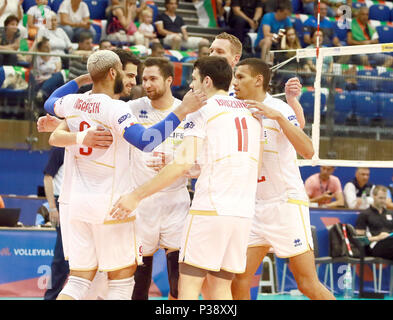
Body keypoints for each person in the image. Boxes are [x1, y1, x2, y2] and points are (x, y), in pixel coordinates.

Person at [43, 49, 207, 300]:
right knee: (121, 280)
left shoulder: (73, 102)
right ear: (112, 73)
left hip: (76, 202)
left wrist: (81, 80)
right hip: (110, 204)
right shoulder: (116, 107)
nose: (128, 78)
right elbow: (147, 140)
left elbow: (49, 100)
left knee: (77, 280)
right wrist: (181, 112)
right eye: (122, 71)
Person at [110, 56, 263, 300]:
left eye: (193, 79)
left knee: (187, 288)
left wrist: (136, 195)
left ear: (207, 81)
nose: (191, 86)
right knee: (220, 289)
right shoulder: (253, 113)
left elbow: (182, 163)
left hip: (209, 210)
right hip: (243, 212)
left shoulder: (200, 110)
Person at [230, 58, 335, 300]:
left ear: (258, 80)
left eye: (240, 77)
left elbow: (308, 150)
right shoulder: (235, 109)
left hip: (285, 203)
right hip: (254, 207)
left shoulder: (279, 109)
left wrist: (278, 116)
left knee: (306, 283)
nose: (235, 82)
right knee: (240, 279)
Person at [130, 57, 191, 300]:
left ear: (169, 80)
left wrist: (177, 164)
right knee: (139, 281)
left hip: (176, 200)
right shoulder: (133, 108)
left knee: (178, 282)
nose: (147, 84)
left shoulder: (187, 111)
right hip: (142, 200)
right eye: (144, 79)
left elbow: (199, 162)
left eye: (153, 78)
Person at [209, 32, 306, 129]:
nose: (212, 55)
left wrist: (291, 100)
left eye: (220, 51)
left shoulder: (244, 90)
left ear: (236, 59)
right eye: (211, 51)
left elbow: (298, 127)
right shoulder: (201, 89)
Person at [42, 147, 70, 300]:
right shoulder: (59, 148)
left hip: (82, 203)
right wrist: (52, 207)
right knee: (61, 255)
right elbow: (48, 177)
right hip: (62, 203)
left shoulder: (86, 146)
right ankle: (51, 297)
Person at [355, 185, 393, 260]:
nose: (383, 201)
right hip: (375, 246)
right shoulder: (365, 214)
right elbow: (359, 240)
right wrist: (378, 237)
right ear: (373, 196)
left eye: (384, 198)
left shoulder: (391, 213)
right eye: (380, 198)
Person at [32, 37, 65, 108]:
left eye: (49, 45)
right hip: (40, 82)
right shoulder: (36, 57)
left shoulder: (55, 56)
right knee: (53, 89)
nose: (48, 48)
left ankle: (42, 92)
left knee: (59, 75)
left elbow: (57, 71)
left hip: (53, 80)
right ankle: (47, 110)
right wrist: (35, 42)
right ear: (40, 49)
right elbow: (27, 58)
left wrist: (46, 78)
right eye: (45, 46)